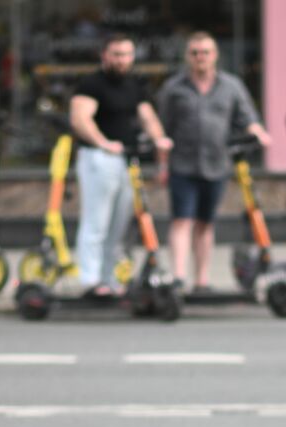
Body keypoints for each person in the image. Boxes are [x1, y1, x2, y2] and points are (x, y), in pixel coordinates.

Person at [156, 31, 270, 291]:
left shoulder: (231, 86)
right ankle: (179, 276)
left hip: (216, 165)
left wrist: (258, 132)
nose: (200, 57)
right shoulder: (173, 89)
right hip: (182, 165)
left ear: (215, 55)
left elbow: (247, 117)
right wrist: (162, 165)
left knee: (205, 224)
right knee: (181, 220)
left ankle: (202, 279)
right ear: (188, 57)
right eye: (195, 53)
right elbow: (162, 130)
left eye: (205, 52)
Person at [69, 34, 171, 298]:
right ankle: (90, 280)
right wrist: (103, 143)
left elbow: (148, 116)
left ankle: (109, 279)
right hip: (98, 159)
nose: (121, 60)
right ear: (105, 55)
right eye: (116, 54)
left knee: (119, 224)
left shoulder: (134, 84)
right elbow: (80, 118)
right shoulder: (92, 84)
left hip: (126, 161)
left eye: (126, 54)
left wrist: (160, 140)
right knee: (97, 221)